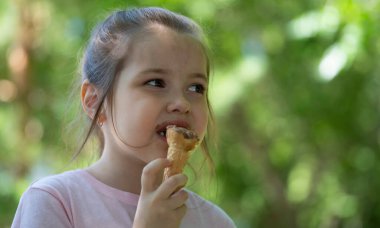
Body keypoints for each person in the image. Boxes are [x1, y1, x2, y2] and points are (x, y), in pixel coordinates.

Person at [11, 7, 236, 228]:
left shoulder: (215, 221)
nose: (182, 103)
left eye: (196, 88)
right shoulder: (54, 202)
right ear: (94, 101)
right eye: (156, 82)